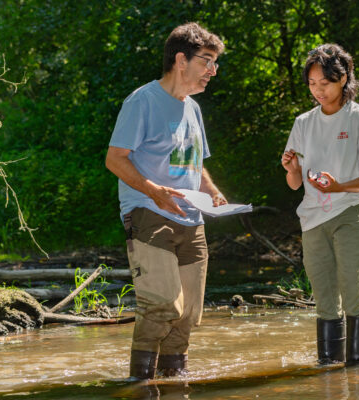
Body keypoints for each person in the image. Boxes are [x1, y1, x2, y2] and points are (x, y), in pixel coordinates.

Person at [105, 22, 226, 380]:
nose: (212, 70)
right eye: (207, 61)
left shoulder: (193, 109)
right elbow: (115, 159)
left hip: (192, 220)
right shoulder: (142, 100)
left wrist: (214, 192)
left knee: (188, 313)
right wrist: (153, 191)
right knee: (162, 305)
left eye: (215, 63)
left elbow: (196, 164)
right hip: (148, 212)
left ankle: (174, 382)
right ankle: (139, 383)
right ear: (180, 60)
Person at [281, 44, 359, 366]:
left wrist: (340, 186)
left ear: (342, 79)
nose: (318, 91)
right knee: (324, 299)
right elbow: (295, 184)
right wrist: (293, 170)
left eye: (324, 83)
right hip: (312, 220)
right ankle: (327, 373)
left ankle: (357, 370)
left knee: (354, 293)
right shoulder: (303, 123)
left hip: (350, 213)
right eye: (312, 84)